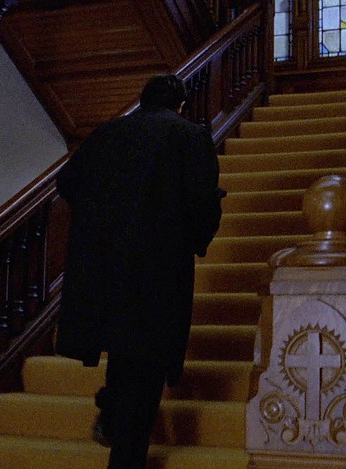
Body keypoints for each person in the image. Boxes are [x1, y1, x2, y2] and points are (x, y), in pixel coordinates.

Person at [55, 74, 224, 469]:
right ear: (180, 105)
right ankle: (124, 454)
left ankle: (113, 408)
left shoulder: (106, 134)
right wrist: (193, 238)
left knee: (122, 348)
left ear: (142, 101)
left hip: (103, 269)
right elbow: (203, 203)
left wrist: (101, 218)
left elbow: (67, 183)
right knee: (146, 367)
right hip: (157, 272)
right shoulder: (189, 136)